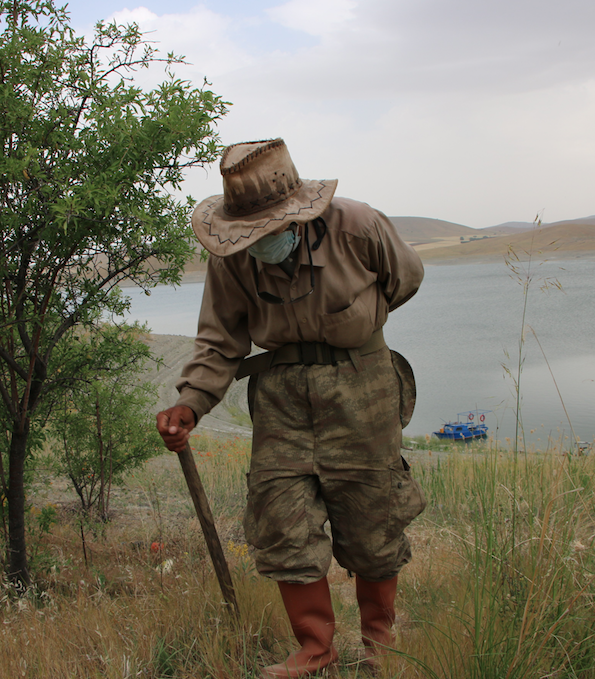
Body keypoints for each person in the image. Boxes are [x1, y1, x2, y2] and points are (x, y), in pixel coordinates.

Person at [156, 138, 426, 678]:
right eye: (247, 233)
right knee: (283, 519)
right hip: (280, 395)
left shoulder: (359, 226)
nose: (255, 242)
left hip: (363, 387)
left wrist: (352, 329)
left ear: (296, 214)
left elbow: (405, 279)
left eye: (265, 230)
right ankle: (315, 648)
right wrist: (192, 402)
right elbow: (220, 340)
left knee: (375, 519)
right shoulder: (231, 256)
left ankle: (379, 644)